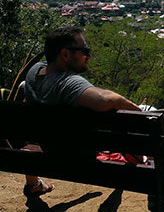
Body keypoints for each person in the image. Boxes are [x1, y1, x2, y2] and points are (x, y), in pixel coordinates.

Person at [21, 26, 141, 198]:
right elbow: (107, 100)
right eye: (84, 51)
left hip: (48, 149)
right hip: (77, 158)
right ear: (65, 54)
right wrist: (140, 112)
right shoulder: (66, 83)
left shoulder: (34, 72)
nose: (88, 56)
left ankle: (33, 184)